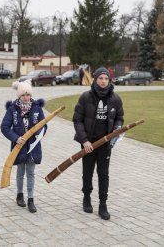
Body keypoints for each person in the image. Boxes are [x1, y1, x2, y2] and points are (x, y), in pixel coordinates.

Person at [72, 67, 124, 220]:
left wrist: (117, 128)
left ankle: (103, 204)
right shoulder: (85, 97)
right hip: (88, 144)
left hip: (105, 144)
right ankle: (86, 198)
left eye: (106, 79)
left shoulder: (115, 99)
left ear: (109, 80)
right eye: (100, 78)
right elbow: (77, 120)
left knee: (103, 174)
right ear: (95, 79)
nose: (103, 81)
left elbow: (119, 118)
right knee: (87, 173)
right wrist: (84, 140)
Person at [1, 81, 47, 213]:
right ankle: (19, 195)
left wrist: (38, 134)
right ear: (19, 95)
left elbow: (44, 125)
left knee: (31, 173)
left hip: (33, 147)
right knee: (20, 172)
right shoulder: (13, 109)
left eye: (28, 94)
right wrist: (16, 138)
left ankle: (31, 199)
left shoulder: (37, 108)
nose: (26, 97)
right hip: (19, 147)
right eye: (23, 95)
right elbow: (4, 127)